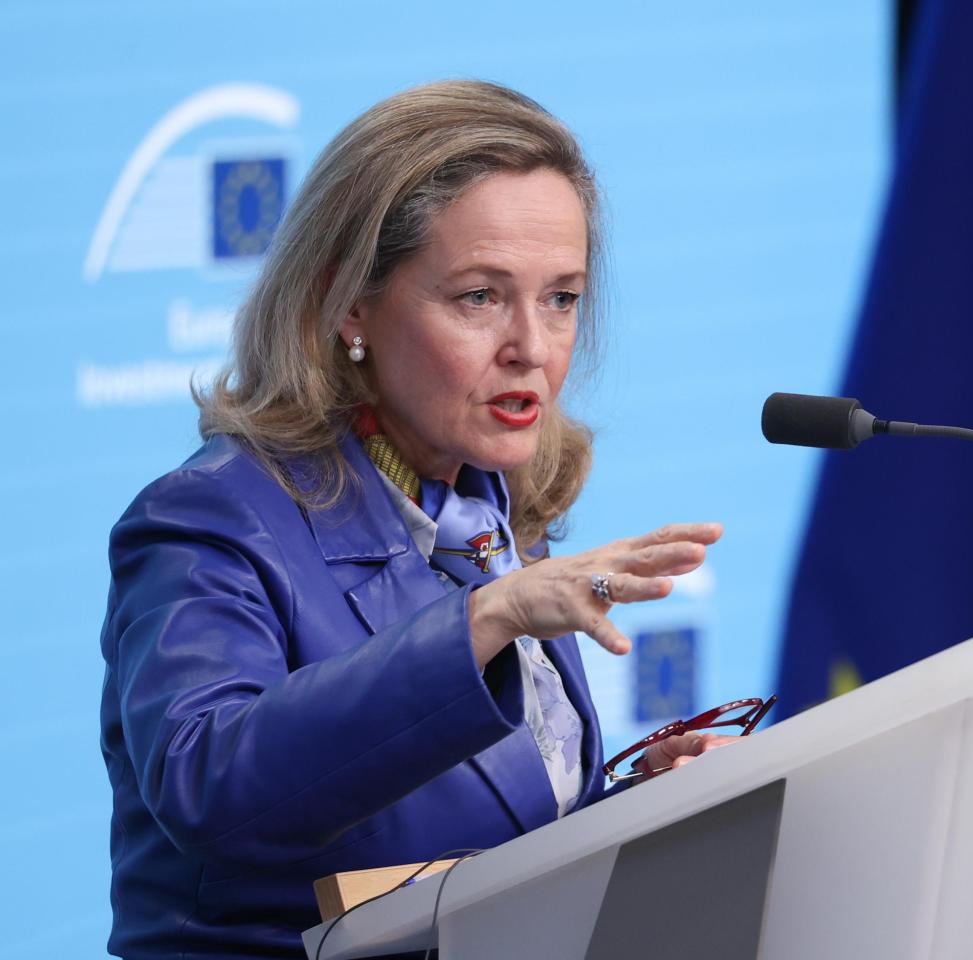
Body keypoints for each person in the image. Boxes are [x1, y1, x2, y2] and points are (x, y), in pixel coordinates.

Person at [98, 80, 731, 959]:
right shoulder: (210, 518)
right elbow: (211, 787)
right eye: (480, 296)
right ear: (348, 302)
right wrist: (489, 618)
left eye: (561, 298)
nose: (533, 348)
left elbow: (470, 845)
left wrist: (635, 807)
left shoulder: (490, 506)